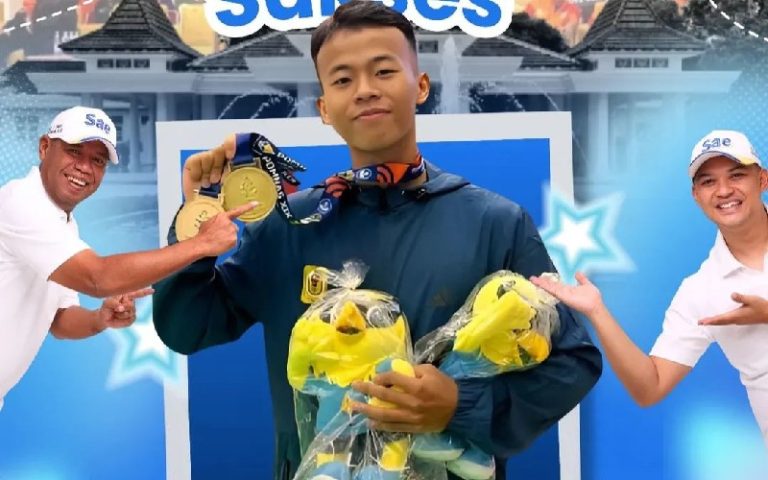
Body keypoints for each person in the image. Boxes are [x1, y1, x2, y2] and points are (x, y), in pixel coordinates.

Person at [152, 1, 602, 477]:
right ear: (324, 108)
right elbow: (186, 328)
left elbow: (572, 362)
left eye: (384, 71)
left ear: (421, 86)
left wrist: (460, 403)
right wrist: (194, 228)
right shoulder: (289, 227)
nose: (365, 90)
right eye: (343, 80)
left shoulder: (495, 223)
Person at [0, 105, 255, 411]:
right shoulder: (21, 204)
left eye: (97, 160)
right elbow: (98, 277)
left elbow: (59, 319)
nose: (84, 167)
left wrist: (99, 319)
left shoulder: (61, 224)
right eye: (74, 151)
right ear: (44, 147)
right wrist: (201, 244)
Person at [532, 129, 768, 446]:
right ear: (696, 195)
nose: (724, 190)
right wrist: (597, 311)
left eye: (736, 175)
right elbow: (650, 387)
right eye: (708, 181)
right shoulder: (700, 290)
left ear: (762, 180)